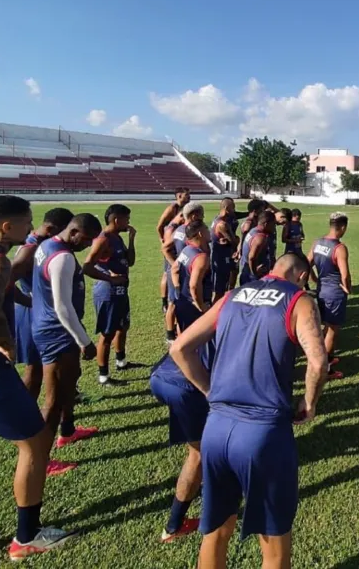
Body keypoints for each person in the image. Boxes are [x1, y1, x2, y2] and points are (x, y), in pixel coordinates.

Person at [170, 253, 328, 569]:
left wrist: (210, 391)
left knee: (216, 530)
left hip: (215, 429)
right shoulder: (300, 301)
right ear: (300, 276)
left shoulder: (232, 295)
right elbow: (318, 362)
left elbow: (179, 348)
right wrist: (309, 403)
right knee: (273, 543)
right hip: (263, 434)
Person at [0, 195, 75, 560]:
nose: (31, 228)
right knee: (35, 443)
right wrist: (5, 341)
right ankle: (26, 537)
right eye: (27, 222)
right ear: (8, 227)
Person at [150, 226, 214, 543]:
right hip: (184, 382)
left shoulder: (212, 314)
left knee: (199, 445)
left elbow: (177, 342)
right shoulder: (220, 312)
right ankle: (174, 526)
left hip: (164, 374)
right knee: (200, 454)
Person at [32, 214, 102, 473]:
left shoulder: (47, 245)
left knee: (68, 386)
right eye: (85, 240)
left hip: (49, 329)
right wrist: (85, 341)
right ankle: (40, 459)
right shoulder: (62, 258)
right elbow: (63, 307)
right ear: (73, 233)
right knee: (53, 400)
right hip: (58, 333)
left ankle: (68, 431)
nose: (87, 246)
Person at [11, 208, 74, 399]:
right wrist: (31, 301)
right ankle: (25, 419)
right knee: (35, 369)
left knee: (43, 367)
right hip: (32, 315)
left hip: (39, 312)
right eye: (64, 231)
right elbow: (6, 281)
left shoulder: (41, 244)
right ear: (51, 228)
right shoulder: (31, 249)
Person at [83, 204, 135, 386]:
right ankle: (103, 376)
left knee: (123, 327)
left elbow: (130, 261)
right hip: (108, 293)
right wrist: (109, 278)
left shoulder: (117, 238)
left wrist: (131, 239)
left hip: (121, 291)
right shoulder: (103, 239)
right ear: (116, 220)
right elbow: (88, 265)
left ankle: (121, 362)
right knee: (107, 333)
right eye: (126, 219)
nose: (129, 222)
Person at [308, 212, 352, 379]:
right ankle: (324, 369)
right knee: (332, 330)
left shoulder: (317, 242)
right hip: (335, 293)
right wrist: (347, 287)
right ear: (342, 227)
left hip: (321, 291)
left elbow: (306, 263)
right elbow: (345, 274)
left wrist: (313, 278)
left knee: (325, 327)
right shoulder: (339, 248)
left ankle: (329, 358)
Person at [162, 202, 205, 342]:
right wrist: (176, 264)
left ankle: (171, 335)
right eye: (202, 216)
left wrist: (175, 263)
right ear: (194, 216)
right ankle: (176, 338)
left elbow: (165, 247)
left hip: (178, 272)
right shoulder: (190, 233)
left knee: (174, 304)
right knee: (181, 306)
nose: (203, 219)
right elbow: (165, 248)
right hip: (184, 274)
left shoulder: (179, 229)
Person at [170, 220, 212, 333]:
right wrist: (201, 306)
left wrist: (178, 289)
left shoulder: (187, 249)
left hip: (183, 302)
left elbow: (174, 269)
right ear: (200, 233)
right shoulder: (201, 257)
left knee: (183, 337)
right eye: (206, 229)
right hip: (194, 307)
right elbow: (194, 285)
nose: (209, 231)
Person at [157, 188, 191, 314]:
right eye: (187, 195)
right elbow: (159, 226)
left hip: (178, 243)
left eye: (189, 195)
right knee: (167, 273)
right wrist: (163, 240)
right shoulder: (173, 208)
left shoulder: (186, 208)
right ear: (179, 195)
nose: (189, 197)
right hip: (170, 245)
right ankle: (165, 302)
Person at [210, 198, 239, 301]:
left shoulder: (216, 218)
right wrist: (238, 239)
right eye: (233, 207)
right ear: (227, 208)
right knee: (219, 291)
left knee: (222, 288)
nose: (234, 209)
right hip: (221, 259)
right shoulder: (223, 224)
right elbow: (234, 241)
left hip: (220, 256)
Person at [238, 210, 275, 286]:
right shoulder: (260, 238)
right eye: (273, 224)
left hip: (246, 272)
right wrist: (254, 273)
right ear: (266, 224)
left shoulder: (253, 231)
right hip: (252, 277)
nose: (274, 227)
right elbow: (251, 257)